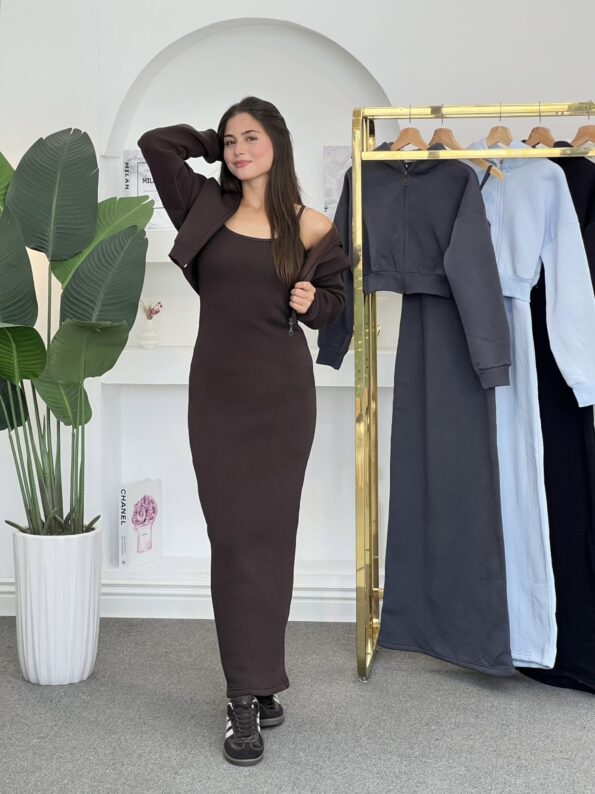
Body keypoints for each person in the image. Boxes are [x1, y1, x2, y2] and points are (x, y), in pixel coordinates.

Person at [137, 96, 350, 766]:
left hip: (283, 401)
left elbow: (338, 303)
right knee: (231, 541)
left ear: (277, 143)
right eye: (231, 141)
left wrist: (314, 302)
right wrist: (211, 140)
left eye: (251, 137)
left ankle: (256, 685)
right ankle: (242, 697)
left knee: (270, 539)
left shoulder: (310, 225)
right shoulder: (205, 205)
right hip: (218, 398)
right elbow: (155, 144)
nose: (238, 150)